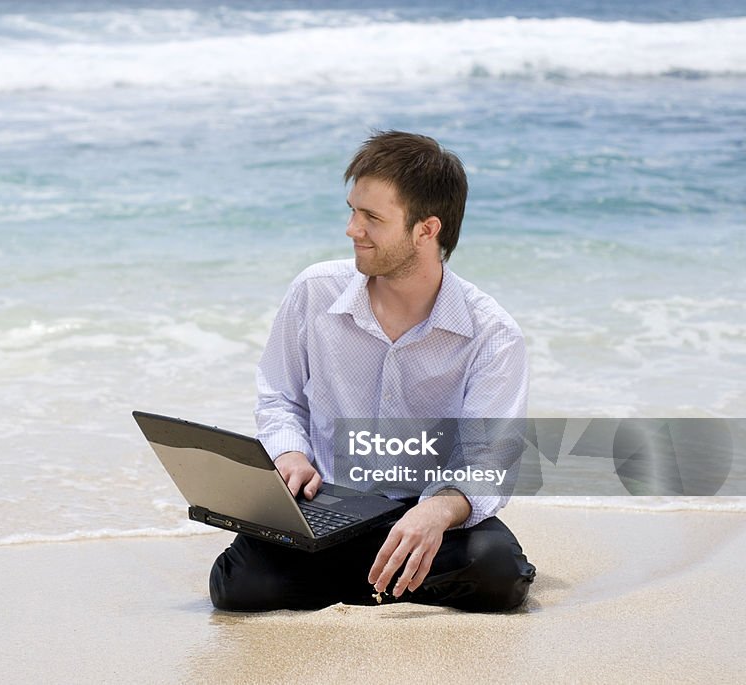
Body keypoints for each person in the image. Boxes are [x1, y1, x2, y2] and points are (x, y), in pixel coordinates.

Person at [209, 131, 536, 613]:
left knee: (500, 576)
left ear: (426, 230)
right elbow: (280, 397)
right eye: (352, 210)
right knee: (235, 586)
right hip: (328, 505)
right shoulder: (314, 292)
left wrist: (438, 509)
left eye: (371, 218)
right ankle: (386, 583)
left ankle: (367, 576)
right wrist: (291, 455)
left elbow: (486, 461)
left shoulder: (492, 334)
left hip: (424, 514)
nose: (351, 229)